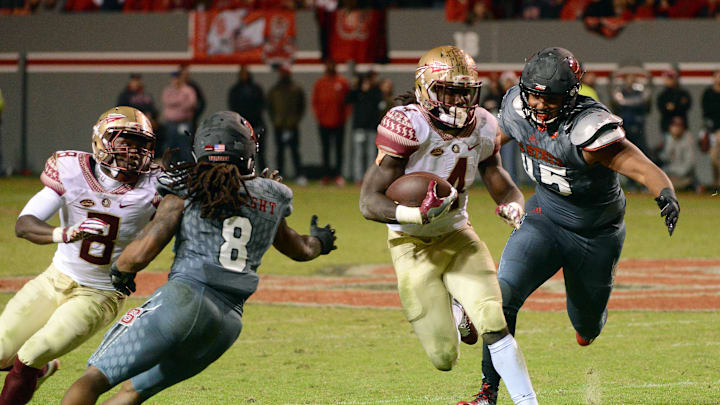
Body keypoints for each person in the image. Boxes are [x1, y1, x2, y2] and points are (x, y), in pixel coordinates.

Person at [60, 111, 337, 405]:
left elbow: (140, 254)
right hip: (227, 325)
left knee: (92, 381)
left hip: (183, 302)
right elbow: (301, 250)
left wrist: (121, 270)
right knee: (132, 392)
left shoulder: (187, 186)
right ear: (248, 149)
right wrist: (320, 240)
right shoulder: (273, 194)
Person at [473, 47, 680, 405]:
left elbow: (638, 163)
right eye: (534, 94)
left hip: (595, 235)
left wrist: (665, 192)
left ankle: (588, 324)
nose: (538, 105)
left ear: (570, 96)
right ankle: (487, 393)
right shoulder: (516, 110)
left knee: (586, 326)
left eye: (549, 98)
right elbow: (489, 143)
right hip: (544, 218)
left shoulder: (588, 128)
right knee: (502, 298)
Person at [359, 45, 538, 405]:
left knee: (493, 320)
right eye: (448, 89)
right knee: (444, 358)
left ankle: (527, 402)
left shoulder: (484, 125)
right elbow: (369, 201)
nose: (457, 99)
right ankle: (457, 310)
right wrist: (416, 214)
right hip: (410, 245)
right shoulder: (408, 124)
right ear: (426, 88)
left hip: (458, 235)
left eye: (464, 90)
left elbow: (496, 175)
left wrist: (514, 204)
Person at [0, 106, 159, 405]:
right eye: (125, 140)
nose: (133, 151)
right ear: (101, 139)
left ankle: (34, 369)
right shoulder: (71, 169)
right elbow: (25, 224)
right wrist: (65, 233)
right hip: (53, 280)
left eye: (141, 144)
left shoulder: (157, 185)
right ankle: (42, 371)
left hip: (100, 294)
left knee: (31, 353)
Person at [312, 59, 350, 186]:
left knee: (339, 150)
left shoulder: (342, 82)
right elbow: (315, 102)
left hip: (339, 121)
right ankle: (326, 175)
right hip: (324, 122)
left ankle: (338, 175)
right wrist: (320, 117)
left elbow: (348, 103)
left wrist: (344, 117)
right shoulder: (320, 83)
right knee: (325, 150)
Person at [267, 66, 307, 185]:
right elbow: (270, 108)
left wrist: (295, 120)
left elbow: (301, 106)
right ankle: (280, 175)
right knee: (279, 152)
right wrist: (275, 121)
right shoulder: (274, 90)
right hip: (279, 126)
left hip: (292, 126)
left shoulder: (296, 89)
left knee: (295, 152)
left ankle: (299, 175)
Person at [228, 65, 267, 171]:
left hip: (257, 125)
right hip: (242, 127)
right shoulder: (235, 90)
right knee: (243, 153)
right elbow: (233, 108)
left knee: (260, 152)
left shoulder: (256, 89)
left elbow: (261, 105)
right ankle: (245, 173)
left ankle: (263, 173)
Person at [347, 70, 383, 183]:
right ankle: (358, 178)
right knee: (358, 154)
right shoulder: (357, 92)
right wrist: (356, 87)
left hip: (372, 128)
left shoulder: (376, 92)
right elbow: (347, 99)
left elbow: (379, 104)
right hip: (359, 128)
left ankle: (369, 178)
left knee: (371, 154)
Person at [161, 70, 197, 164]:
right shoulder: (168, 90)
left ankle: (188, 166)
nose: (176, 81)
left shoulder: (188, 90)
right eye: (174, 79)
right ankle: (169, 166)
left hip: (184, 122)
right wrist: (180, 101)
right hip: (171, 123)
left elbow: (190, 104)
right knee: (170, 145)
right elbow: (167, 101)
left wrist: (176, 103)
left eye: (177, 78)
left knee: (184, 145)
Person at [659, 116, 697, 190]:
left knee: (668, 185)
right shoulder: (668, 138)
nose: (676, 127)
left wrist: (675, 174)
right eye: (674, 124)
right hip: (669, 174)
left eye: (679, 125)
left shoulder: (688, 139)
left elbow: (690, 164)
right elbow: (664, 159)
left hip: (684, 176)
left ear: (683, 127)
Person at [657, 67, 692, 134]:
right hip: (667, 127)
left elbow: (686, 106)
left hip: (683, 127)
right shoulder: (662, 95)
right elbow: (663, 109)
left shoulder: (683, 93)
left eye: (671, 77)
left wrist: (673, 107)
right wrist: (677, 106)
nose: (669, 80)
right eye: (668, 78)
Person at [701, 70, 720, 189]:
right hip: (712, 131)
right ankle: (716, 183)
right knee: (713, 158)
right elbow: (706, 114)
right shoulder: (708, 93)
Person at [177, 64, 206, 133]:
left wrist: (195, 114)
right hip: (175, 120)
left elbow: (202, 102)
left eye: (187, 73)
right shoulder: (175, 86)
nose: (185, 75)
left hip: (189, 119)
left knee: (188, 137)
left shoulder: (192, 86)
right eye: (183, 73)